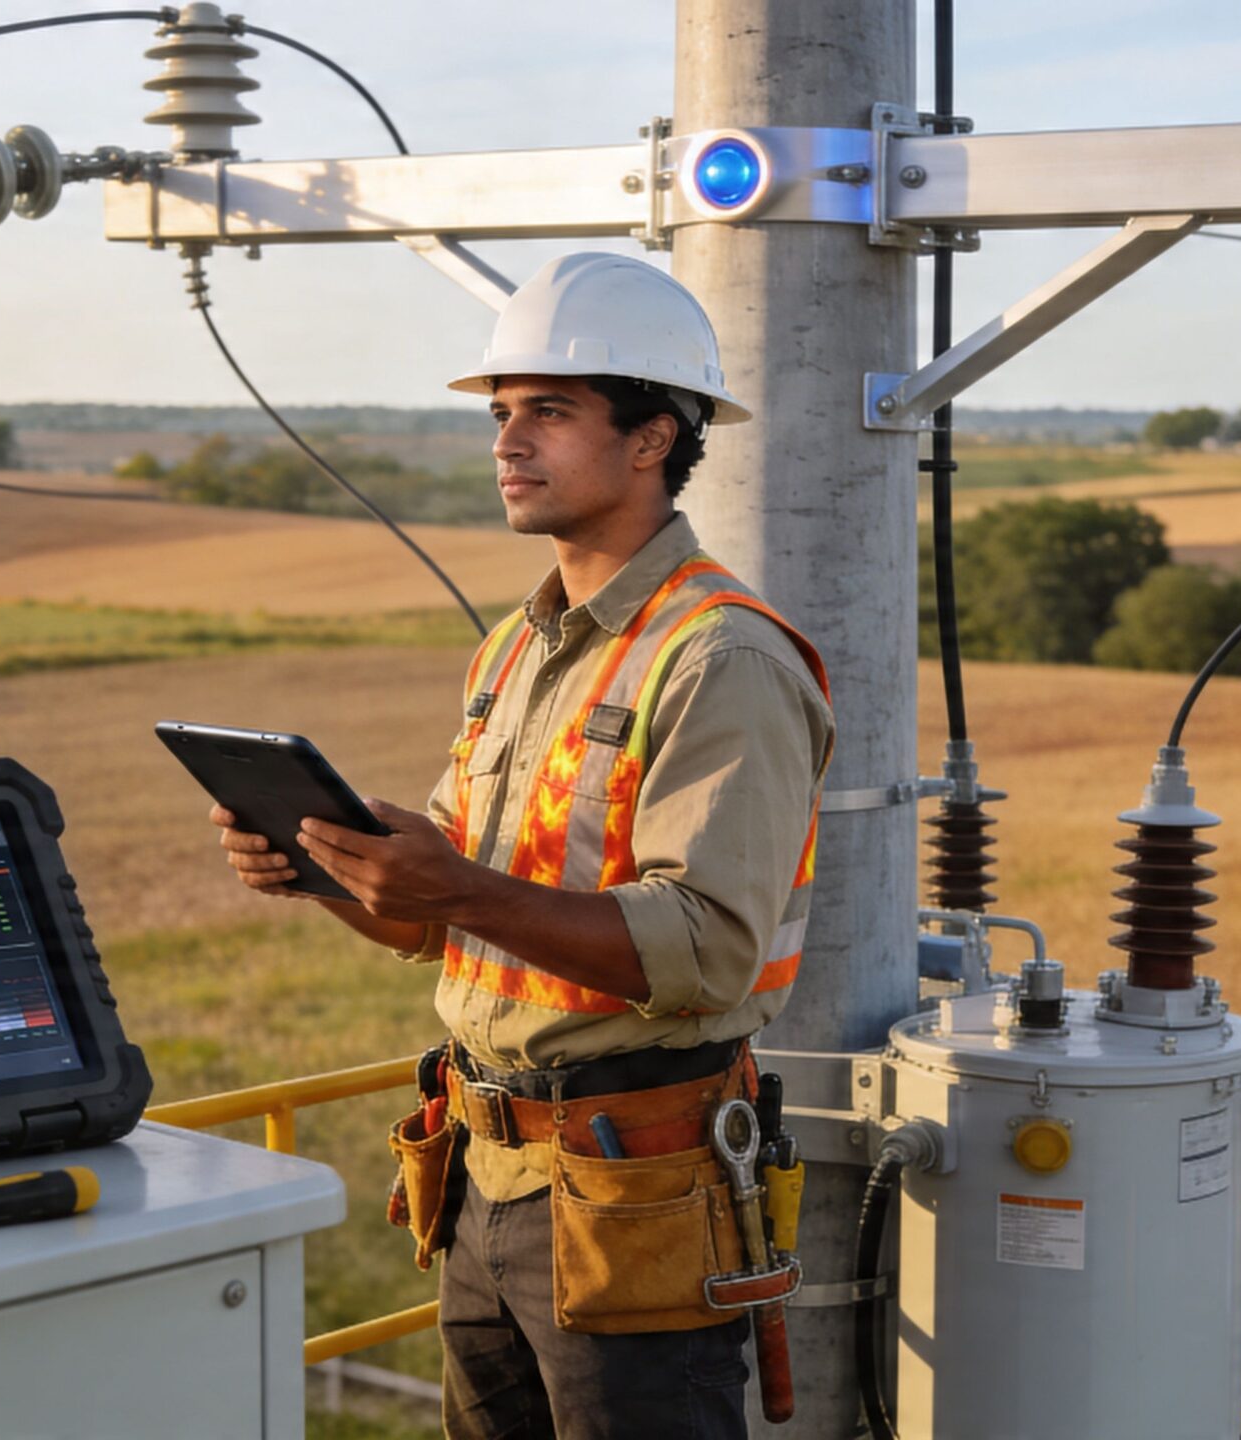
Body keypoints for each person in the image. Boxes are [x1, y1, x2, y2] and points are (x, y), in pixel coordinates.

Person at [210, 252, 832, 1439]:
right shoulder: (515, 649)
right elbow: (425, 917)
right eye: (501, 414)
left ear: (653, 438)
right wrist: (328, 871)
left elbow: (706, 951)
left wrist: (458, 887)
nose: (506, 441)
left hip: (635, 1181)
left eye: (547, 412)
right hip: (481, 1168)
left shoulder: (721, 656)